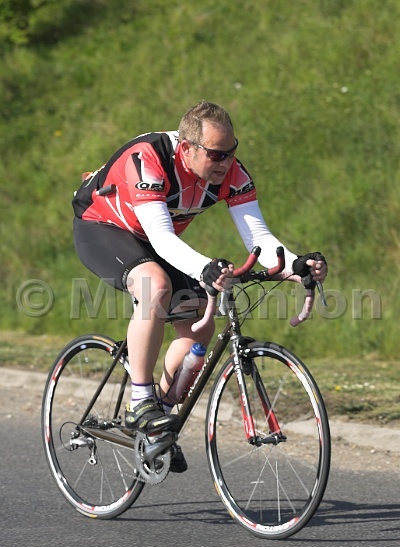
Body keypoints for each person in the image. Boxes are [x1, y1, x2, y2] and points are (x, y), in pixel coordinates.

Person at [72, 100, 327, 472]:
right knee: (154, 285)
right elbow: (161, 238)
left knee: (199, 322)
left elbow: (258, 238)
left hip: (153, 238)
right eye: (216, 154)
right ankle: (140, 401)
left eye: (231, 152)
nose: (226, 162)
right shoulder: (149, 158)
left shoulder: (232, 173)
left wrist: (294, 264)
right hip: (102, 226)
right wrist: (205, 268)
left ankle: (158, 420)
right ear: (187, 148)